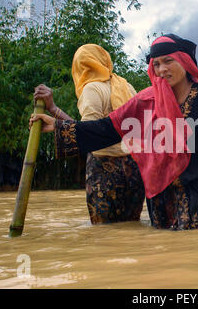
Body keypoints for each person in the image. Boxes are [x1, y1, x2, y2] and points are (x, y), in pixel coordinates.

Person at [30, 34, 198, 230]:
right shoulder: (145, 100)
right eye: (156, 64)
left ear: (184, 62)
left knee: (192, 244)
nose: (161, 69)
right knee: (163, 248)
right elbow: (108, 128)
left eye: (167, 61)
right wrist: (59, 125)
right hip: (158, 192)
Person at [33, 44, 145, 225]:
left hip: (104, 167)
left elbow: (89, 134)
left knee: (103, 233)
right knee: (132, 225)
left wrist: (53, 110)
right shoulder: (127, 86)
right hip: (134, 167)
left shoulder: (92, 88)